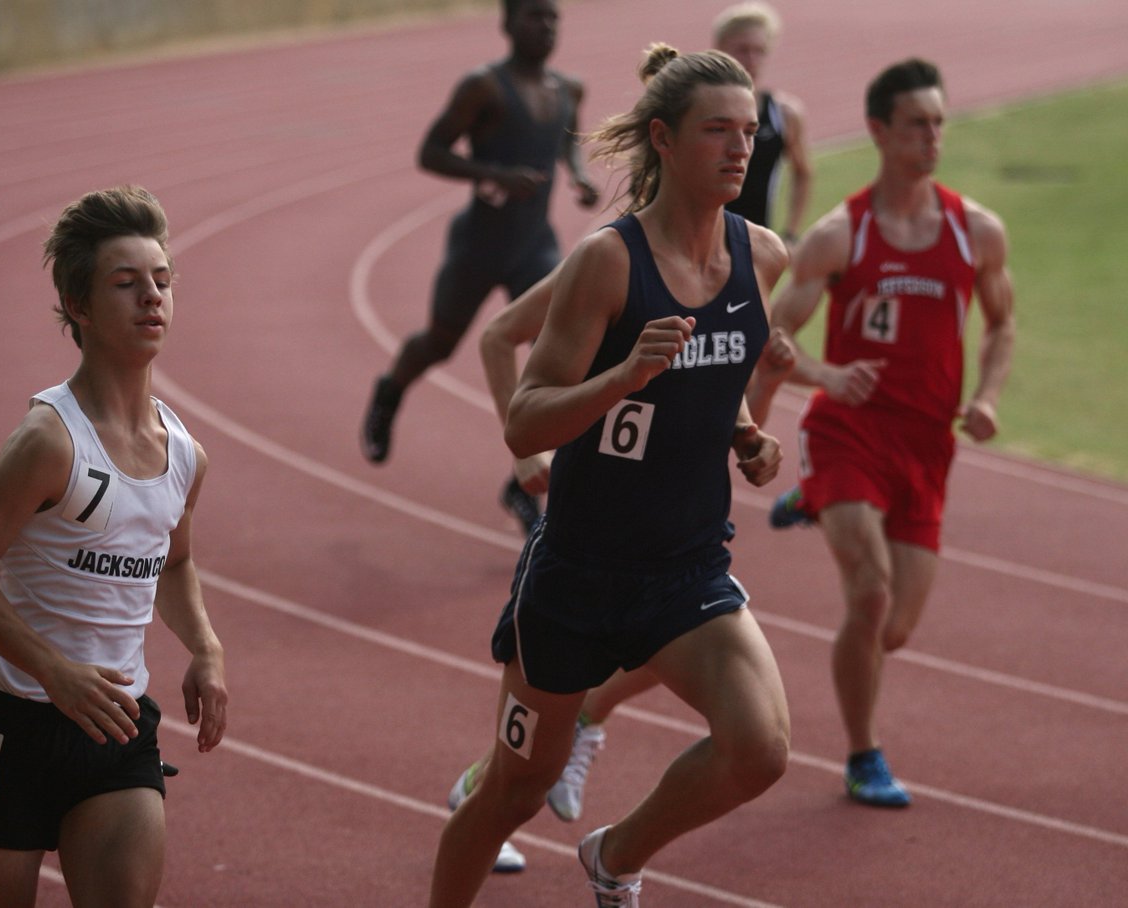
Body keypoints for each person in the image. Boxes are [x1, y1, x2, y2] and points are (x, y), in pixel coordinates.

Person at [429, 44, 791, 907]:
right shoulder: (608, 262)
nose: (740, 149)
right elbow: (528, 417)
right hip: (578, 580)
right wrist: (622, 379)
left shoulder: (762, 256)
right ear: (663, 140)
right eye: (717, 132)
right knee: (511, 791)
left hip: (688, 571)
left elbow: (718, 377)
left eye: (748, 131)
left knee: (761, 750)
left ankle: (616, 855)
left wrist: (746, 435)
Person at [0, 185, 229, 907]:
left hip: (117, 727)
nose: (151, 297)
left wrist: (207, 649)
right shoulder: (48, 441)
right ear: (80, 307)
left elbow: (175, 562)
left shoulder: (185, 453)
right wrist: (54, 671)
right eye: (126, 284)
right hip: (20, 719)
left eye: (162, 281)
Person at [767, 58, 1016, 807]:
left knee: (897, 630)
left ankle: (811, 499)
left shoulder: (976, 231)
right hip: (849, 431)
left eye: (939, 122)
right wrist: (826, 378)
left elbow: (1003, 325)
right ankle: (862, 754)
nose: (933, 136)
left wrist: (989, 397)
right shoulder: (840, 235)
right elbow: (773, 336)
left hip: (927, 446)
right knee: (868, 597)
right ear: (879, 130)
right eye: (917, 123)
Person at [359, 0, 600, 536]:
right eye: (534, 16)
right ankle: (390, 390)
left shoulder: (568, 89)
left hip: (535, 245)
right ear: (507, 23)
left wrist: (580, 177)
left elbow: (567, 141)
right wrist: (494, 173)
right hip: (479, 246)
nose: (546, 26)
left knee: (562, 354)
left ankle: (522, 481)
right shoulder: (483, 87)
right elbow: (431, 151)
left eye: (553, 17)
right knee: (440, 343)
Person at [714, 2, 812, 243]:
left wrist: (790, 234)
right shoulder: (698, 111)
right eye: (742, 49)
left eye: (759, 51)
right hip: (697, 245)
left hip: (753, 246)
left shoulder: (784, 114)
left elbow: (803, 173)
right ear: (720, 49)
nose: (751, 59)